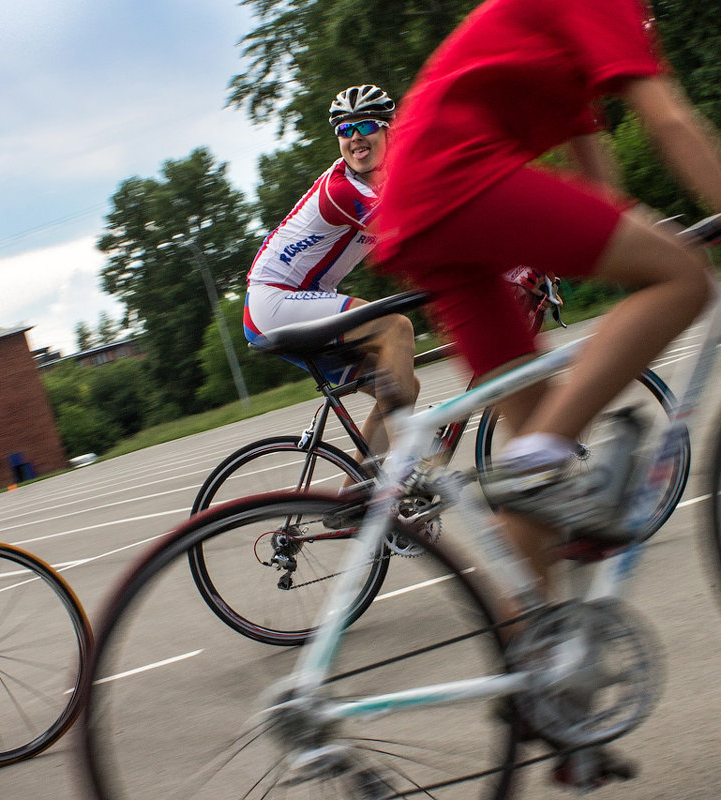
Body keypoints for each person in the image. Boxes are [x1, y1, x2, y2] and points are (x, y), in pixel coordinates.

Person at [374, 0, 721, 786]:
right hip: (453, 180)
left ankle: (546, 700)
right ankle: (535, 456)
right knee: (684, 281)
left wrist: (647, 238)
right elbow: (667, 120)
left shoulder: (571, 49)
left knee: (536, 498)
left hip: (426, 204)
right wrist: (667, 253)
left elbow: (600, 186)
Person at [245, 84, 420, 461]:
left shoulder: (387, 179)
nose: (355, 138)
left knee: (401, 386)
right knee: (396, 328)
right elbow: (416, 239)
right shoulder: (344, 192)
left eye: (365, 126)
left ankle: (355, 503)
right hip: (273, 301)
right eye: (344, 130)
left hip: (298, 300)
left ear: (390, 129)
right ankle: (410, 472)